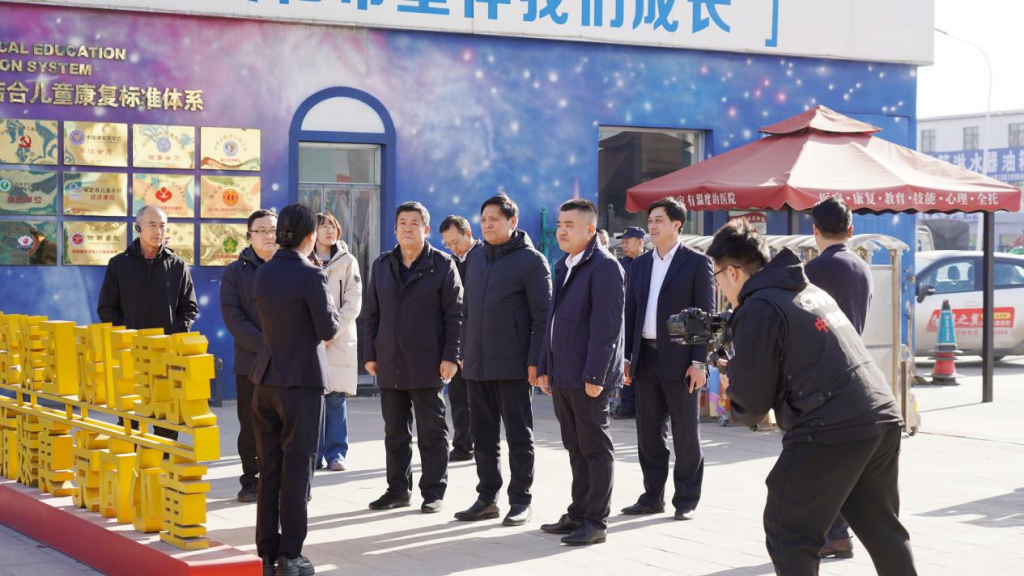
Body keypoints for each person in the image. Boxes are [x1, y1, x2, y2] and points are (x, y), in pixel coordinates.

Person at [710, 219, 916, 576]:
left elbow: (752, 405)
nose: (719, 285)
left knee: (788, 529)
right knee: (883, 529)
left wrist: (734, 385)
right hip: (880, 414)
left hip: (830, 424)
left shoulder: (759, 305)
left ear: (732, 272)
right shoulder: (807, 290)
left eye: (717, 276)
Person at [249, 203, 341, 576]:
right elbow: (328, 328)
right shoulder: (311, 274)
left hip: (265, 379)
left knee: (269, 469)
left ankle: (266, 554)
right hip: (300, 382)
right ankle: (291, 555)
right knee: (298, 469)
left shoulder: (264, 272)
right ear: (309, 235)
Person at [456, 193, 551, 527]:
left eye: (494, 219)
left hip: (514, 364)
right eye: (483, 219)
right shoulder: (476, 257)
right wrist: (464, 351)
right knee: (482, 436)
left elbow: (543, 317)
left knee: (518, 436)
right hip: (477, 362)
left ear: (513, 221)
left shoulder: (532, 261)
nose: (487, 225)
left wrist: (536, 361)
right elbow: (466, 310)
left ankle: (520, 500)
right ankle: (486, 498)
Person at [363, 202, 463, 514]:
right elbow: (372, 314)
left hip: (428, 362)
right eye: (402, 222)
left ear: (426, 229)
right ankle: (397, 490)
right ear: (394, 229)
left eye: (414, 223)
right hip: (389, 360)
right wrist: (370, 353)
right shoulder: (382, 265)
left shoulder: (442, 265)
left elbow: (456, 315)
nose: (408, 227)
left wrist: (452, 355)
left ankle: (433, 491)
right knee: (395, 432)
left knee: (432, 432)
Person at [537, 199, 624, 546]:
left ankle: (595, 521)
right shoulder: (565, 264)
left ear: (590, 229)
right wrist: (546, 365)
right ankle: (578, 512)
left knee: (594, 448)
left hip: (587, 376)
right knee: (575, 446)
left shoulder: (604, 267)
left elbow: (607, 328)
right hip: (563, 372)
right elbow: (552, 321)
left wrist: (595, 375)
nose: (561, 231)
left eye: (569, 225)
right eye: (560, 224)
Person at [621, 197, 713, 521]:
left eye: (659, 220)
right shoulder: (640, 265)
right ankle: (652, 496)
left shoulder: (696, 263)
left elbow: (705, 316)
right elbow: (630, 313)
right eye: (650, 221)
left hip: (682, 360)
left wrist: (699, 362)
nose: (652, 226)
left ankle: (686, 499)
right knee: (648, 434)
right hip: (645, 357)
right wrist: (626, 357)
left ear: (677, 224)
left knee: (685, 432)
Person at [803, 196, 874, 559]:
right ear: (850, 229)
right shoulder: (862, 267)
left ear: (815, 229)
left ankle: (835, 534)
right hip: (856, 370)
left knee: (820, 461)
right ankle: (837, 533)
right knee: (842, 461)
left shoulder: (812, 271)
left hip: (821, 375)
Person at [98, 204, 198, 441]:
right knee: (130, 418)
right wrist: (125, 335)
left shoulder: (177, 265)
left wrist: (173, 334)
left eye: (162, 225)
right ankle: (132, 460)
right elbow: (106, 308)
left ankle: (164, 461)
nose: (158, 231)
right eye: (152, 225)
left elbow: (189, 308)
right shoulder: (119, 264)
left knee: (167, 419)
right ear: (138, 228)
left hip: (166, 356)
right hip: (130, 355)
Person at [221, 208, 278, 503]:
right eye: (262, 230)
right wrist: (267, 346)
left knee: (285, 425)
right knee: (251, 424)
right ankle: (250, 480)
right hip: (251, 362)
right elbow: (234, 317)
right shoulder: (235, 272)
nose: (269, 236)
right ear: (249, 236)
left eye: (273, 230)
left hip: (288, 363)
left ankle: (282, 480)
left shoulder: (294, 267)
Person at [312, 212, 362, 473]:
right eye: (323, 226)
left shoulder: (348, 260)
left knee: (335, 398)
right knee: (313, 399)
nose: (330, 230)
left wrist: (331, 330)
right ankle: (314, 454)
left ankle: (336, 454)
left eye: (333, 225)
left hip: (339, 338)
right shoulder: (305, 259)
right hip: (312, 339)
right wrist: (318, 332)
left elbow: (354, 302)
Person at [439, 214, 483, 462]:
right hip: (457, 336)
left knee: (480, 398)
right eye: (447, 244)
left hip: (479, 337)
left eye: (455, 242)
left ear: (468, 234)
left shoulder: (484, 256)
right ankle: (463, 444)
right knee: (458, 396)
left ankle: (482, 443)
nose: (452, 248)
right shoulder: (449, 263)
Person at [612, 226, 646, 420]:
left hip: (643, 320)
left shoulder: (649, 263)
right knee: (623, 360)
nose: (623, 245)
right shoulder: (619, 264)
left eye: (627, 241)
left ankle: (642, 405)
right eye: (622, 242)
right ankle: (627, 404)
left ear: (640, 241)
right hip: (624, 318)